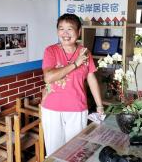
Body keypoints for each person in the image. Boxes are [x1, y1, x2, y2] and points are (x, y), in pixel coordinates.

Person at [41, 13, 104, 156]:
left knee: (75, 150)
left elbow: (91, 79)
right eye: (61, 29)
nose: (65, 33)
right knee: (54, 151)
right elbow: (48, 77)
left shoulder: (85, 53)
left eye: (70, 29)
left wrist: (99, 105)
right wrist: (75, 64)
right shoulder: (51, 51)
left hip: (77, 107)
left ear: (79, 31)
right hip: (52, 108)